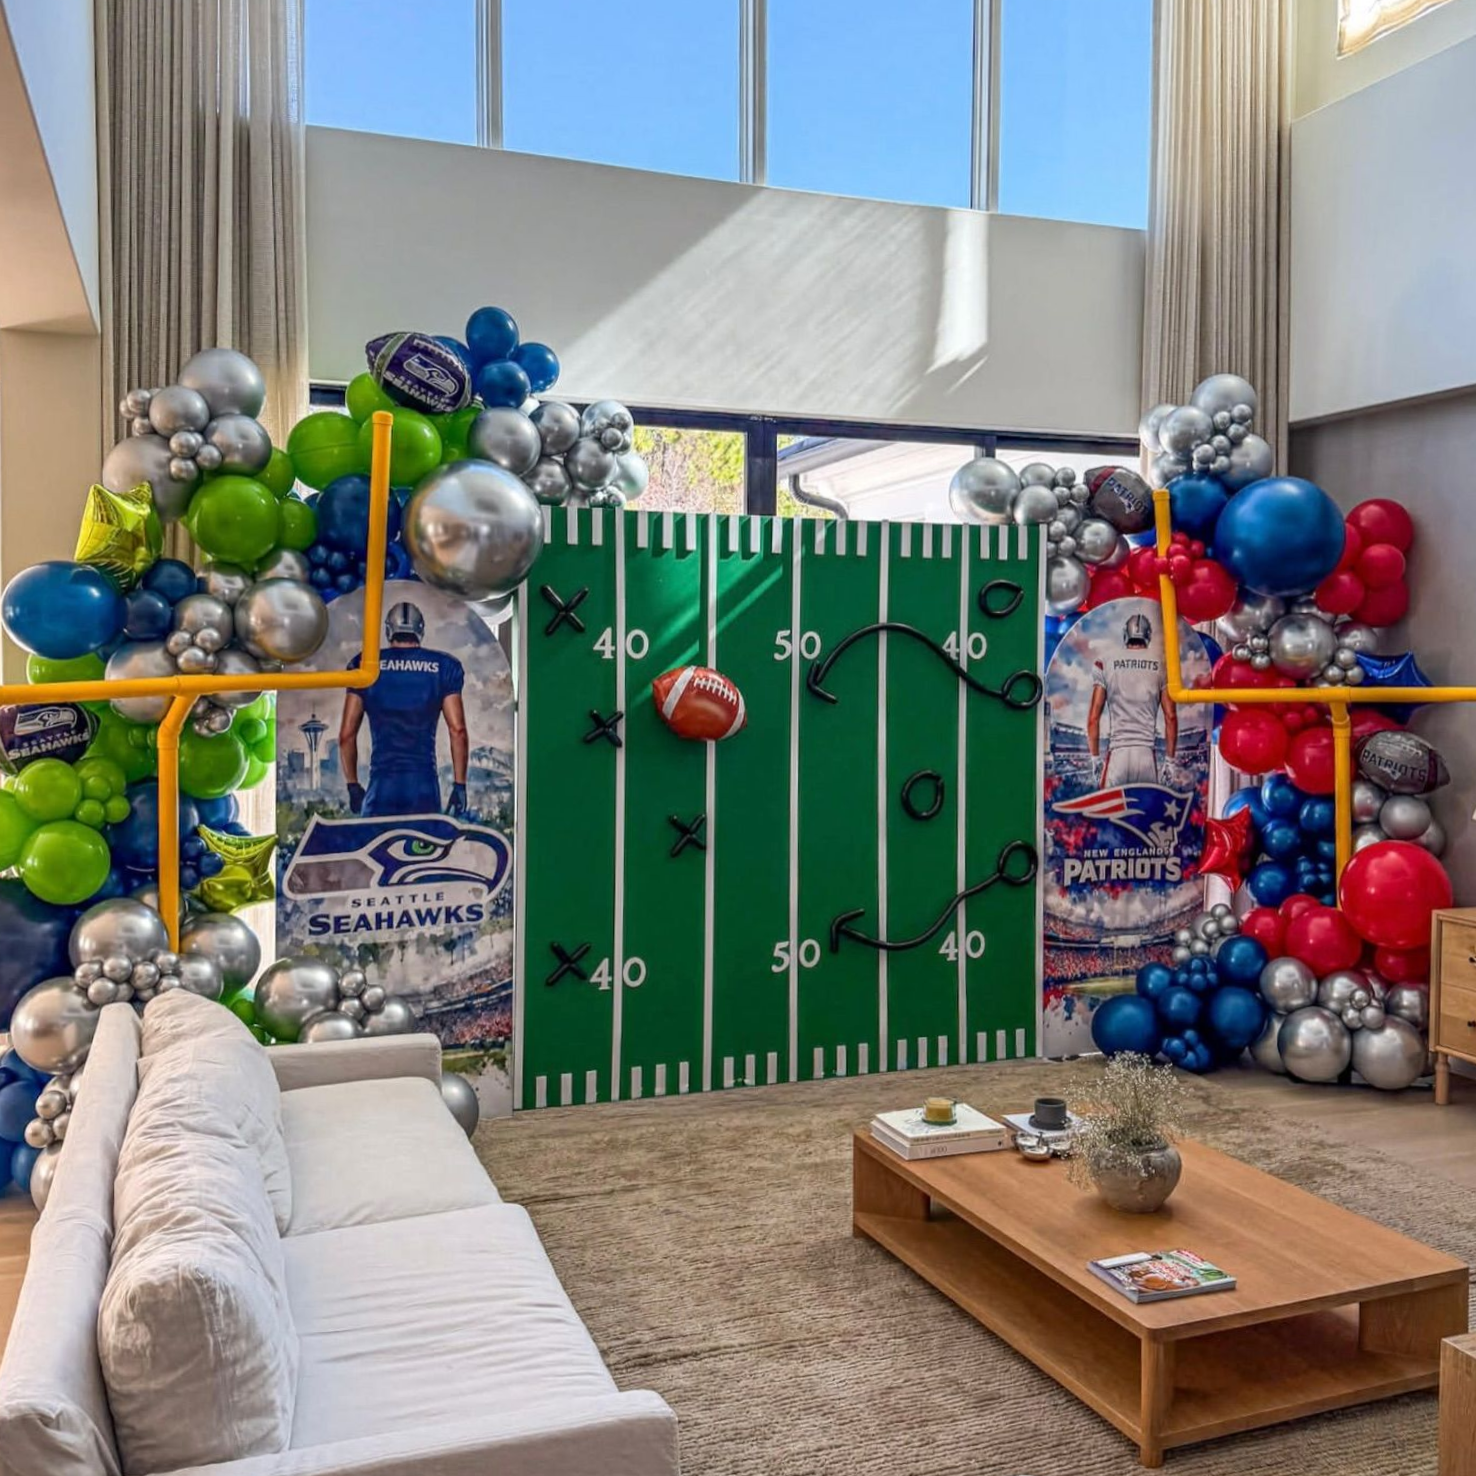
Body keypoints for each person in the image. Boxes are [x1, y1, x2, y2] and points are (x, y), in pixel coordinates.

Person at [338, 601, 469, 817]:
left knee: (373, 849)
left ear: (389, 630)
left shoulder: (364, 664)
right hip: (423, 785)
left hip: (381, 786)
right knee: (423, 849)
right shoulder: (445, 666)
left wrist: (352, 785)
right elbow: (458, 730)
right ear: (421, 631)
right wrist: (460, 785)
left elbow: (346, 735)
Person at [1086, 611, 1177, 786]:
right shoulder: (1162, 664)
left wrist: (1095, 758)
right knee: (1146, 813)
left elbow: (1093, 718)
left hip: (1117, 754)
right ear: (1148, 635)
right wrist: (1170, 761)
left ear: (1125, 634)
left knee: (1110, 812)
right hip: (1145, 755)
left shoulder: (1105, 662)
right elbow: (1170, 717)